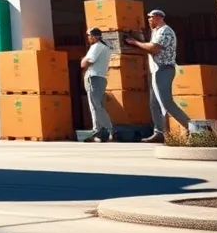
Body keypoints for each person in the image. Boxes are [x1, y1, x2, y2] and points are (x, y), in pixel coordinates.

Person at [124, 9, 190, 142]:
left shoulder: (165, 31)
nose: (149, 19)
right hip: (156, 70)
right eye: (148, 17)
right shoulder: (155, 32)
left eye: (151, 17)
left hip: (164, 69)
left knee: (166, 102)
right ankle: (160, 132)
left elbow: (154, 48)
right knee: (154, 104)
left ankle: (193, 128)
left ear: (159, 17)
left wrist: (135, 43)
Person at [81, 28, 114, 142]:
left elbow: (86, 62)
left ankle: (105, 130)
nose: (88, 38)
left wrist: (83, 60)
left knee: (95, 106)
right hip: (99, 77)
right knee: (96, 105)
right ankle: (100, 131)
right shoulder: (104, 47)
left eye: (89, 35)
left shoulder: (96, 46)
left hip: (94, 77)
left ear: (95, 36)